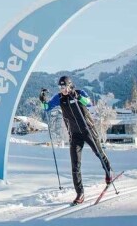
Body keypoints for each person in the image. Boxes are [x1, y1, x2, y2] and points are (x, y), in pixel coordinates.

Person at [39, 75, 113, 205]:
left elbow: (88, 102)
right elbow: (46, 108)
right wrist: (43, 100)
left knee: (99, 154)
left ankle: (108, 173)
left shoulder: (79, 93)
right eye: (60, 87)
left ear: (70, 85)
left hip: (88, 130)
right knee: (75, 165)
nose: (62, 89)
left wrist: (77, 96)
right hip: (74, 135)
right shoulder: (59, 98)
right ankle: (80, 193)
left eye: (64, 87)